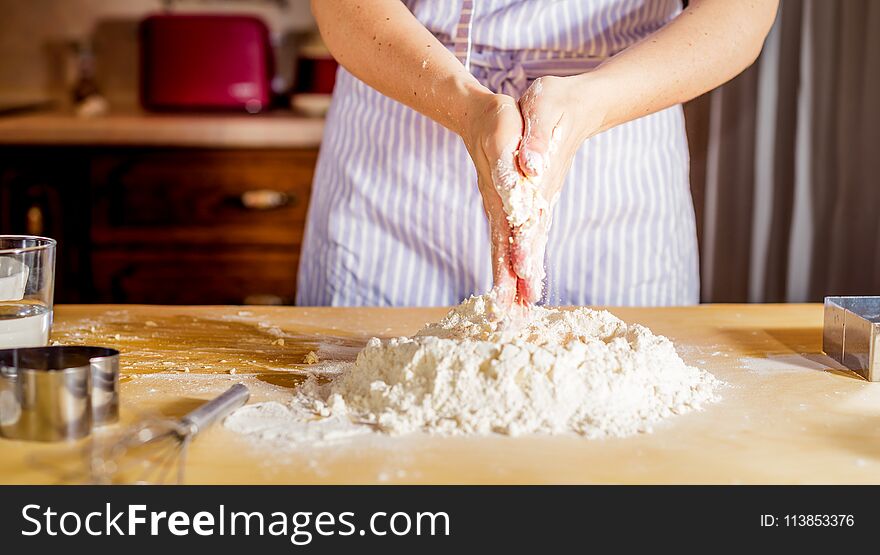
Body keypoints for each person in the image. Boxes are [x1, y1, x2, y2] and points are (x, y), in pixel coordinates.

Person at [297, 0, 778, 307]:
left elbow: (740, 13)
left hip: (618, 132)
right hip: (404, 117)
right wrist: (463, 104)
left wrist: (594, 103)